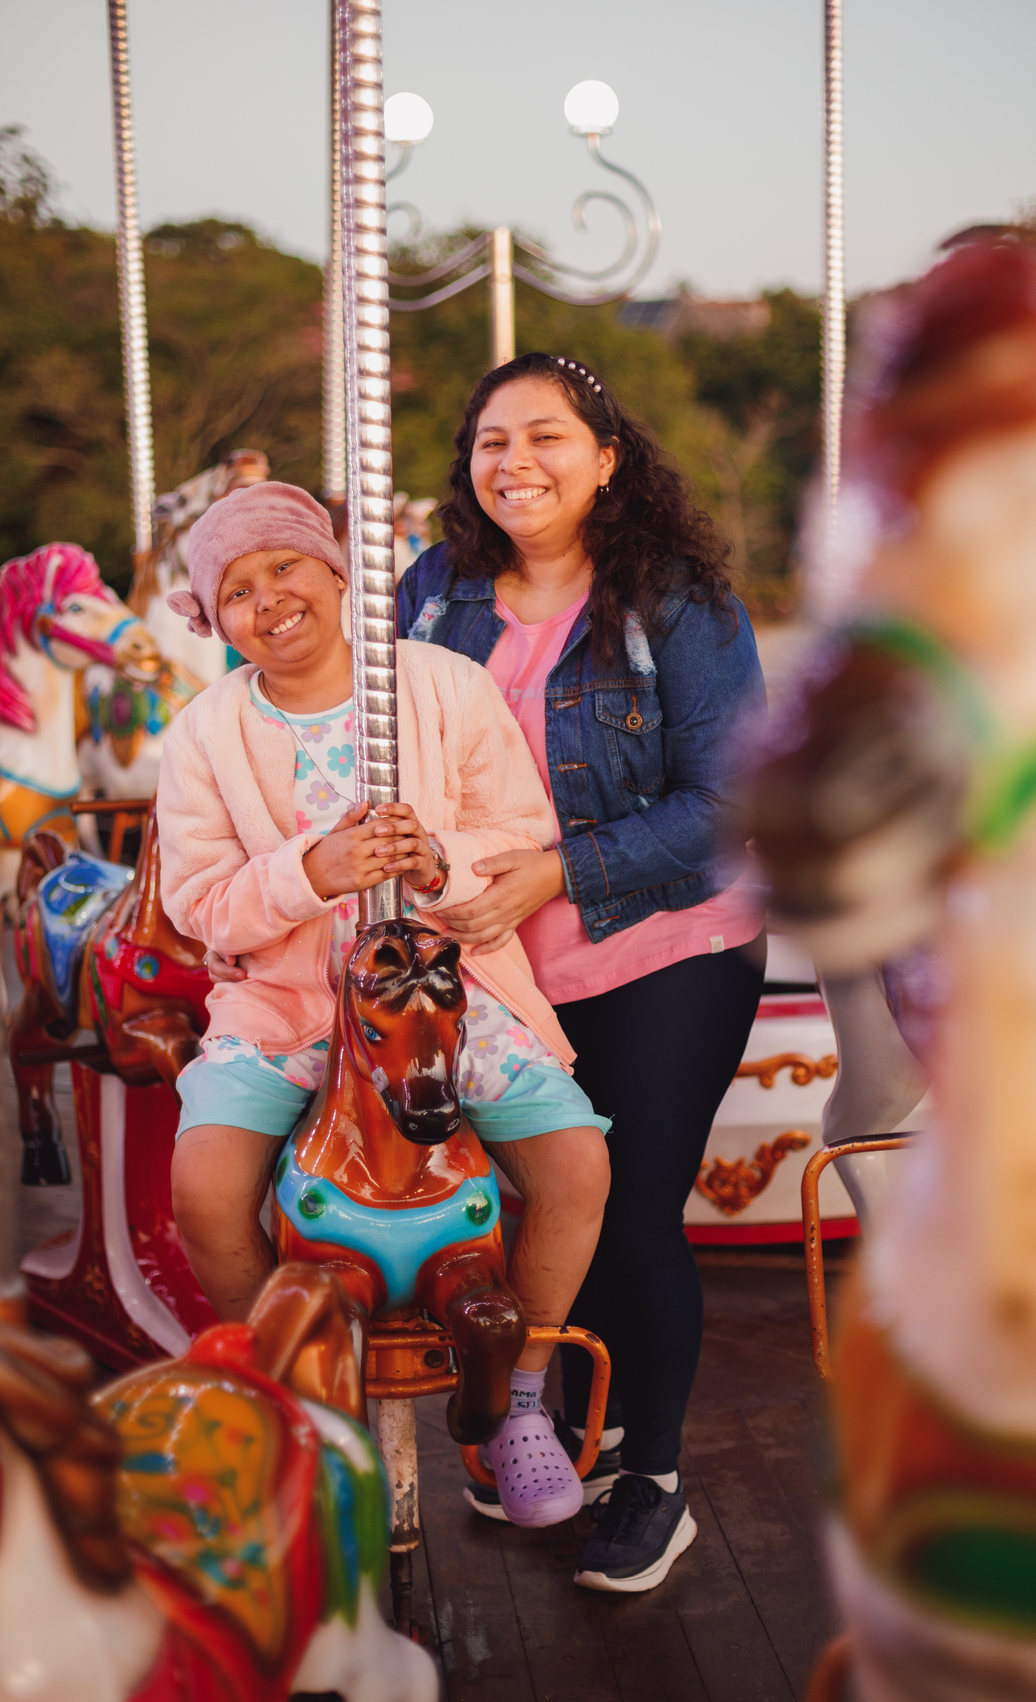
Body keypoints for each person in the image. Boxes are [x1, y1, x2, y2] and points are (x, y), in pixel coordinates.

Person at [155, 481, 611, 1529]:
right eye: (235, 592)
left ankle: (521, 1403)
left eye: (284, 569)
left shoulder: (441, 686)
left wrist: (439, 860)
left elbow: (521, 830)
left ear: (335, 574)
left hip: (442, 993)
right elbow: (202, 906)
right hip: (283, 1003)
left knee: (578, 1163)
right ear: (213, 621)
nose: (268, 600)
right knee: (204, 1182)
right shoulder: (205, 736)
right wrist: (309, 870)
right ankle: (278, 1394)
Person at [398, 352, 766, 1594]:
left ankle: (653, 1478)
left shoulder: (677, 604)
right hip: (496, 961)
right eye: (492, 442)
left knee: (636, 1213)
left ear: (606, 457)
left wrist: (557, 872)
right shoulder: (435, 593)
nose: (518, 464)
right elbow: (360, 729)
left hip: (664, 945)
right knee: (553, 1207)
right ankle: (575, 1428)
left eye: (547, 438)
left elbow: (727, 803)